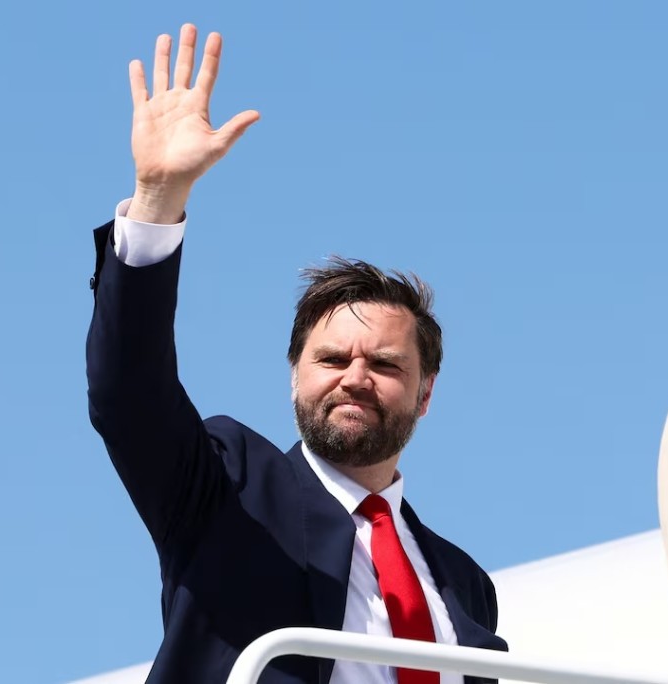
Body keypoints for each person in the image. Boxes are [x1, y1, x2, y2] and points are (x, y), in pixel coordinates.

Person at [86, 23, 506, 684]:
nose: (356, 379)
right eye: (333, 360)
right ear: (294, 376)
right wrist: (159, 199)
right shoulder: (225, 490)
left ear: (426, 396)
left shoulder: (464, 583)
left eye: (386, 365)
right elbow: (127, 392)